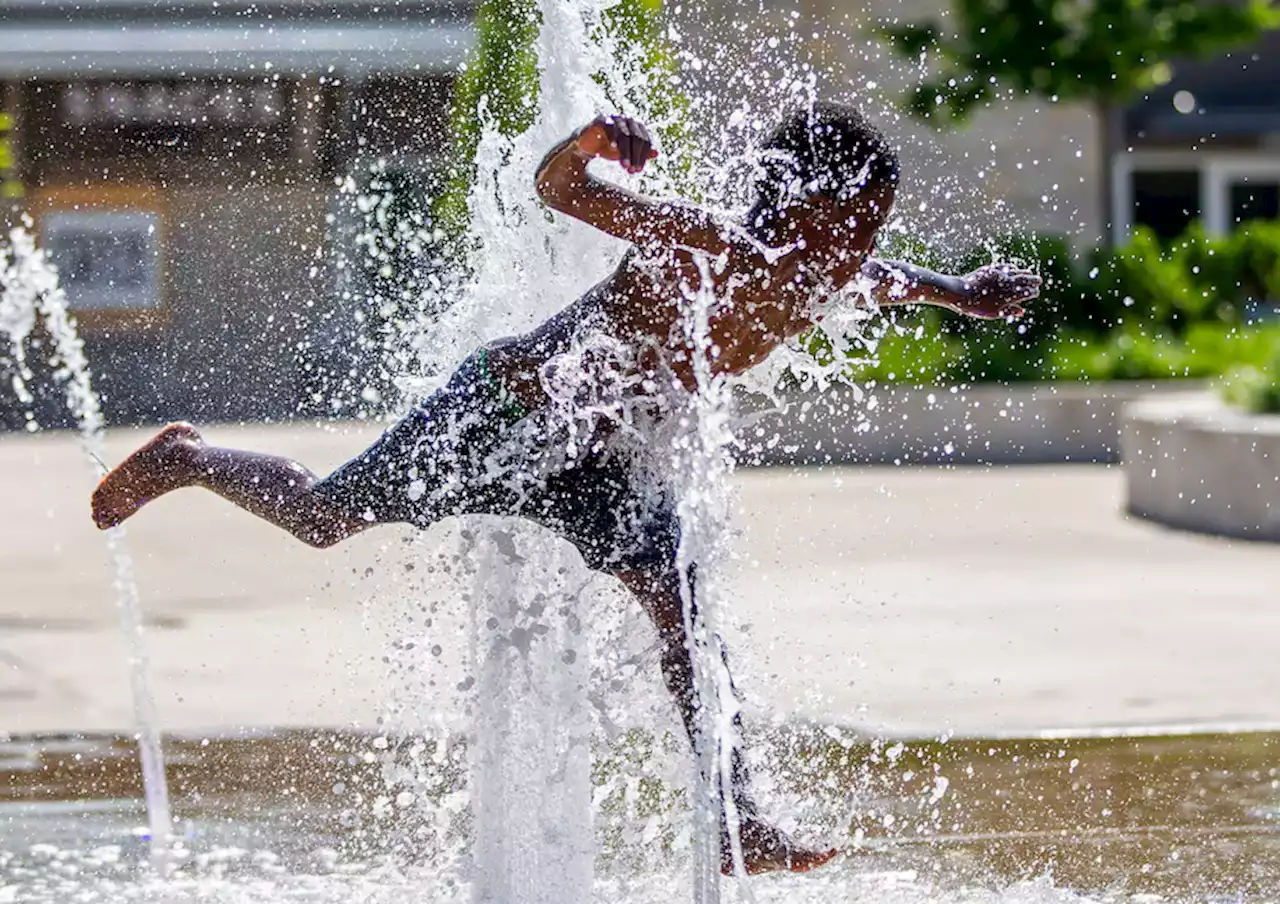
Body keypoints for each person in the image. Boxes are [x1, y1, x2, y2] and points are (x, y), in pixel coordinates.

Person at [91, 103, 1040, 874]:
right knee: (323, 517)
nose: (858, 249)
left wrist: (961, 291)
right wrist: (584, 145)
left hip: (603, 464)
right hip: (507, 417)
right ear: (790, 212)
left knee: (683, 608)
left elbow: (891, 280)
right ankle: (190, 457)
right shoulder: (701, 244)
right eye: (847, 226)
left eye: (869, 230)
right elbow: (560, 191)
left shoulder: (821, 276)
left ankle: (735, 816)